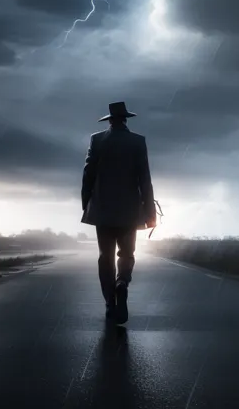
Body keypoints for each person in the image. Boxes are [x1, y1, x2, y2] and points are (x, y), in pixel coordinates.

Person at [81, 101, 156, 324]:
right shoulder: (138, 142)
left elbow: (88, 175)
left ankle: (109, 303)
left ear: (110, 120)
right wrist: (150, 212)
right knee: (126, 253)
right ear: (126, 119)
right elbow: (145, 180)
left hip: (103, 209)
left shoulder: (97, 140)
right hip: (129, 210)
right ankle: (122, 282)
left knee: (105, 257)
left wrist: (87, 204)